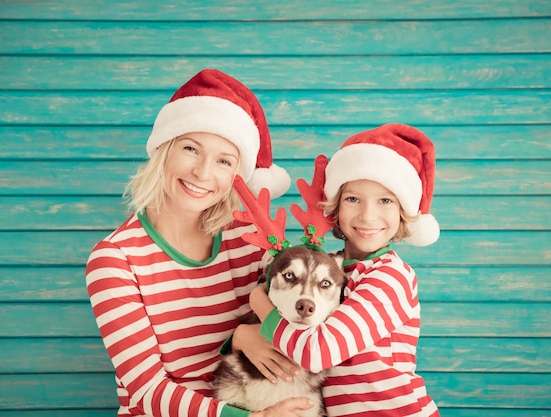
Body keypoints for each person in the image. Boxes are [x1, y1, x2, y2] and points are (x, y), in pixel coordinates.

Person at [86, 68, 314, 417]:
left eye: (224, 161)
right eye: (191, 149)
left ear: (238, 175)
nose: (203, 173)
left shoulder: (248, 241)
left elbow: (299, 318)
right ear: (164, 149)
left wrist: (242, 333)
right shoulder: (115, 260)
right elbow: (145, 389)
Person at [250, 123, 441, 416]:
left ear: (403, 210)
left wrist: (258, 302)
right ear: (335, 206)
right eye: (353, 199)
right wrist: (239, 336)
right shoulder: (332, 267)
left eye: (385, 200)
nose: (367, 215)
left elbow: (316, 353)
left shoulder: (391, 277)